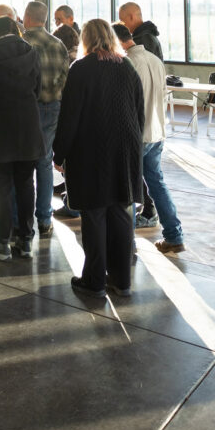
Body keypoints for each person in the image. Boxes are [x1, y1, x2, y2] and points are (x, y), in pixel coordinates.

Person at [54, 19, 144, 298]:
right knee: (120, 211)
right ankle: (122, 281)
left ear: (86, 39)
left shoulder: (81, 68)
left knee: (94, 215)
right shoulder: (126, 66)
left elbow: (70, 115)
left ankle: (94, 281)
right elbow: (138, 111)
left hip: (92, 150)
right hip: (125, 149)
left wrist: (60, 152)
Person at [112, 22, 185, 254]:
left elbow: (125, 104)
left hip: (136, 135)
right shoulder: (155, 61)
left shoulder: (128, 63)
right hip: (157, 132)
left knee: (126, 190)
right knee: (157, 185)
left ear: (117, 42)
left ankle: (126, 243)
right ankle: (174, 236)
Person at [0, 16, 43, 260]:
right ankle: (25, 240)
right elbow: (38, 89)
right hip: (28, 126)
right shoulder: (32, 52)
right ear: (16, 30)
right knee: (26, 184)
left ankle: (2, 242)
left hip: (0, 127)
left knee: (1, 186)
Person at [22, 1, 70, 237]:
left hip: (26, 108)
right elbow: (65, 77)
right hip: (52, 107)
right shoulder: (58, 44)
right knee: (44, 161)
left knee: (22, 162)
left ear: (27, 17)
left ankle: (21, 219)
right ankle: (44, 218)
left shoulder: (22, 43)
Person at [118, 1, 164, 222]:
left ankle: (135, 223)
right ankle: (170, 230)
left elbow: (138, 87)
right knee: (154, 178)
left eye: (122, 19)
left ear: (131, 17)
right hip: (154, 123)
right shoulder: (150, 40)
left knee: (131, 178)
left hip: (141, 123)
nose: (122, 24)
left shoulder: (141, 44)